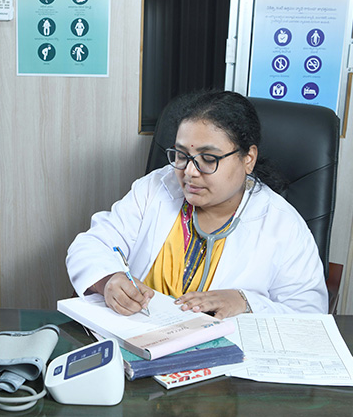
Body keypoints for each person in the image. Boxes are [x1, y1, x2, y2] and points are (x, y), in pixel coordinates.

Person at [66, 90, 328, 318]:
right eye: (182, 155)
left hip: (224, 366)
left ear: (248, 158)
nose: (189, 171)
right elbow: (92, 244)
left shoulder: (282, 225)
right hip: (140, 344)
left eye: (208, 158)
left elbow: (309, 317)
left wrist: (246, 302)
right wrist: (109, 279)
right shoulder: (156, 187)